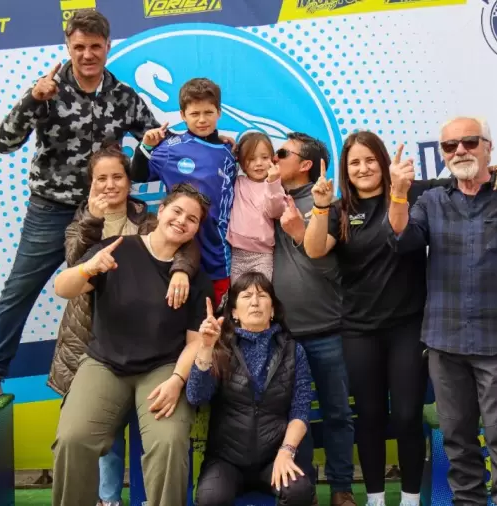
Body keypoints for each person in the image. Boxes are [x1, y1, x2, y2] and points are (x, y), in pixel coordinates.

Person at [303, 131, 497, 506]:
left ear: (384, 161)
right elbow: (314, 249)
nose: (363, 168)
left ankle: (408, 498)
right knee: (370, 416)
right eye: (354, 163)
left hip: (409, 325)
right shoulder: (339, 210)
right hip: (358, 329)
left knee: (406, 416)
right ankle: (374, 498)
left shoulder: (415, 192)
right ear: (345, 170)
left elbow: (464, 175)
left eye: (370, 159)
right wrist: (321, 206)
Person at [0, 9, 163, 403]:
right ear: (68, 47)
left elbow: (160, 144)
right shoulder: (46, 90)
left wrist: (211, 144)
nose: (87, 54)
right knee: (18, 290)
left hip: (105, 214)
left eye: (95, 47)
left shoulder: (124, 97)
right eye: (79, 47)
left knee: (118, 293)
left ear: (108, 47)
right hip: (51, 210)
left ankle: (123, 374)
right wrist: (31, 99)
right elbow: (4, 142)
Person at [385, 117, 497, 506]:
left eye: (468, 142)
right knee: (457, 441)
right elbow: (402, 240)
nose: (459, 151)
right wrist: (398, 192)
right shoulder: (430, 199)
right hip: (445, 342)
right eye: (449, 146)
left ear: (488, 146)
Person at [46, 146, 199, 506]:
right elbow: (65, 284)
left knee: (168, 441)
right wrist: (90, 266)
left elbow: (183, 244)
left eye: (118, 176)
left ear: (131, 183)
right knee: (74, 438)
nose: (111, 185)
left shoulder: (153, 225)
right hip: (101, 352)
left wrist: (180, 268)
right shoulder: (84, 227)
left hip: (160, 363)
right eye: (102, 178)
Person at [273, 132, 357, 506]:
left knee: (338, 414)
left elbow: (336, 273)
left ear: (305, 164)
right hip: (281, 334)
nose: (273, 159)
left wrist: (297, 234)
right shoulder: (265, 198)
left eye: (281, 153)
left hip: (327, 332)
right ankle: (299, 491)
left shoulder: (331, 206)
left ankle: (341, 488)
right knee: (293, 419)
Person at [187, 272, 315, 506]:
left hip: (274, 456)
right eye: (246, 296)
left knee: (299, 492)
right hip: (226, 459)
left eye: (262, 295)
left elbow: (301, 409)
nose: (255, 302)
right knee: (210, 498)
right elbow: (196, 396)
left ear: (273, 309)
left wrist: (286, 451)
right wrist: (206, 348)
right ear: (234, 312)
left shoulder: (293, 351)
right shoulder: (221, 348)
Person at [130, 77, 238, 307]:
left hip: (219, 255)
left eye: (208, 112)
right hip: (179, 250)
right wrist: (145, 147)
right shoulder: (170, 148)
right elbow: (137, 175)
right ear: (182, 115)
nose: (202, 120)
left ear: (219, 112)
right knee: (178, 317)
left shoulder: (228, 151)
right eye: (194, 113)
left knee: (216, 321)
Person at [227, 131, 287, 281]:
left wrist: (273, 183)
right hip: (236, 253)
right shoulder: (237, 182)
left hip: (263, 255)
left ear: (273, 159)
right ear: (241, 162)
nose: (258, 163)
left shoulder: (275, 185)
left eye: (265, 157)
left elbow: (276, 212)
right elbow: (218, 167)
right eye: (251, 159)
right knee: (239, 297)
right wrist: (226, 146)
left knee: (261, 293)